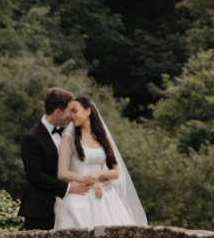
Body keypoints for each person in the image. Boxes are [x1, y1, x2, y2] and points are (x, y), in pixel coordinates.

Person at [53, 95, 147, 230]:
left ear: (88, 111)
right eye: (70, 112)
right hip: (80, 193)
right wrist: (90, 181)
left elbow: (115, 172)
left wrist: (99, 173)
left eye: (75, 111)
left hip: (104, 195)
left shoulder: (103, 137)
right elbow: (62, 172)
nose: (71, 115)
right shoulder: (68, 139)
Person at [18, 87, 82, 230]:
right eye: (69, 111)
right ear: (58, 112)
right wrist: (68, 187)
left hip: (69, 208)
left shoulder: (69, 134)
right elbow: (35, 175)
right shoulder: (31, 138)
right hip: (41, 211)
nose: (71, 115)